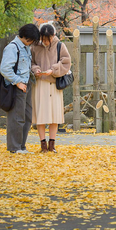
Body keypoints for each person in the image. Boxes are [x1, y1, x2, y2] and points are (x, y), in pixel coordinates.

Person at [31, 23, 71, 153]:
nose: (46, 42)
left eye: (48, 39)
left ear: (53, 35)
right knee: (40, 116)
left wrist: (53, 70)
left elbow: (66, 62)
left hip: (54, 84)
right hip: (40, 84)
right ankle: (43, 145)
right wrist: (36, 70)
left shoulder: (60, 45)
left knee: (55, 116)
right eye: (43, 39)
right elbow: (31, 62)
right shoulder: (35, 46)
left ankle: (52, 145)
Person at [0, 23, 40, 154]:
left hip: (27, 84)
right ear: (27, 37)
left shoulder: (26, 47)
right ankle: (14, 147)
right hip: (17, 86)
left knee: (27, 116)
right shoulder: (12, 48)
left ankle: (22, 146)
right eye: (33, 40)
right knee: (17, 117)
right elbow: (5, 69)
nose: (33, 43)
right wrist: (17, 82)